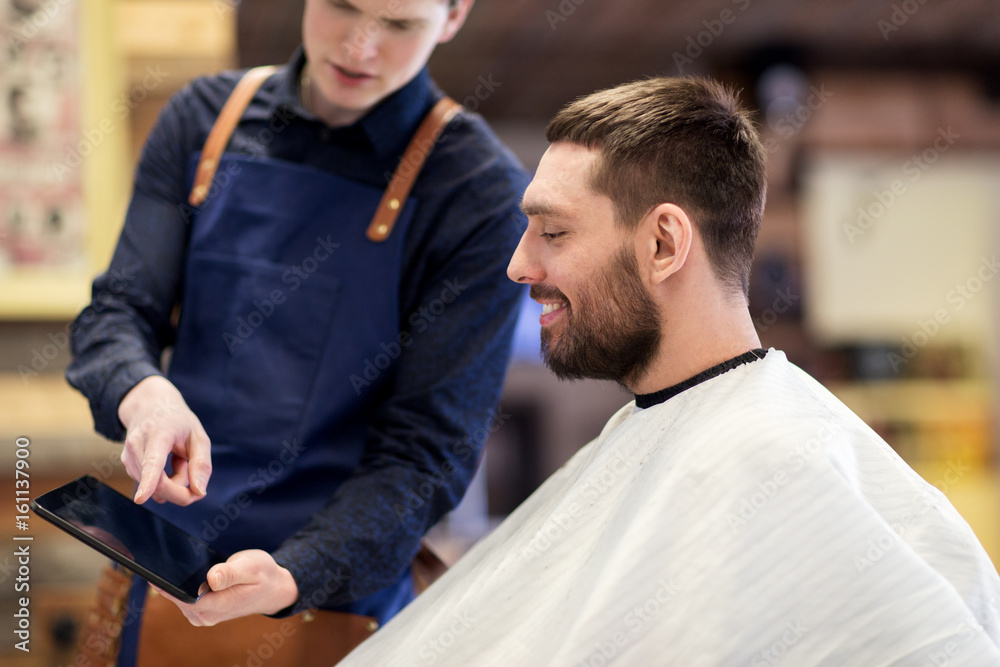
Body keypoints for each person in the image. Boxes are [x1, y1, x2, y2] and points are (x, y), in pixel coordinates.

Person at [336, 76, 1000, 666]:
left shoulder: (773, 460)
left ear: (663, 244)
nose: (519, 265)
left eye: (553, 232)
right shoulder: (656, 430)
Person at [65, 0, 528, 664]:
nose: (360, 46)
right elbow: (115, 313)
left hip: (333, 608)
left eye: (399, 25)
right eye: (344, 6)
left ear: (454, 16)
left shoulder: (477, 192)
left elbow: (426, 456)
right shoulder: (204, 120)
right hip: (164, 575)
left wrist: (294, 572)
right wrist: (144, 394)